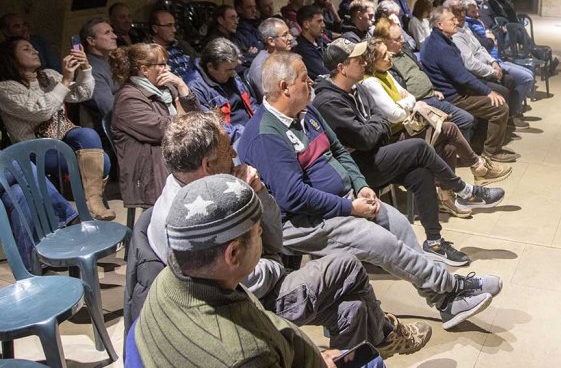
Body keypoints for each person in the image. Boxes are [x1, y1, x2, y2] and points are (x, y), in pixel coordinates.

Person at [239, 52, 503, 328]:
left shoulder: (307, 111)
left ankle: (446, 301)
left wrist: (360, 185)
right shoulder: (265, 135)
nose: (311, 84)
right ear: (284, 87)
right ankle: (452, 287)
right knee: (383, 242)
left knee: (399, 225)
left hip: (342, 200)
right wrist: (350, 208)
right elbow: (293, 196)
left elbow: (339, 151)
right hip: (304, 221)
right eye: (305, 80)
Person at [137, 112, 430, 356]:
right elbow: (248, 281)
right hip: (239, 305)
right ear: (207, 165)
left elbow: (273, 238)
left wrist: (260, 193)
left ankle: (369, 345)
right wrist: (277, 264)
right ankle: (385, 335)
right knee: (346, 265)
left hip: (256, 277)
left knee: (352, 308)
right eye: (228, 150)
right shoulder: (187, 219)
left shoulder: (214, 185)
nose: (236, 154)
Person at [134, 174, 330, 367]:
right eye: (257, 230)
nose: (262, 233)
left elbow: (258, 317)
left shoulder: (168, 280)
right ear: (233, 253)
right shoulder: (249, 356)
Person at [314, 38, 508, 227]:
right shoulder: (329, 101)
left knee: (422, 171)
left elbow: (381, 121)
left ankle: (434, 241)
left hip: (378, 150)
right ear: (342, 68)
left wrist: (376, 123)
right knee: (420, 147)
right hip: (360, 167)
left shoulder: (357, 88)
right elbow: (368, 137)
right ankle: (465, 190)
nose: (364, 62)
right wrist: (378, 123)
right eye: (358, 60)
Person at [359, 38, 511, 184]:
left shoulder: (385, 73)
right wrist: (408, 103)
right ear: (372, 62)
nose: (390, 55)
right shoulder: (371, 82)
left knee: (449, 147)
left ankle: (447, 193)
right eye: (384, 55)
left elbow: (410, 97)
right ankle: (478, 166)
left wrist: (404, 102)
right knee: (450, 128)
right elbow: (395, 115)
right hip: (394, 136)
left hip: (407, 125)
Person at [0, 37, 114, 220]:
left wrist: (85, 68)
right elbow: (41, 111)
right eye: (27, 49)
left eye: (34, 47)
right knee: (103, 161)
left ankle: (93, 203)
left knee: (88, 134)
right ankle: (79, 212)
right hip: (34, 150)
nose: (36, 51)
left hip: (62, 136)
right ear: (11, 57)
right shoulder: (5, 89)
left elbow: (82, 94)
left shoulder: (48, 75)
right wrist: (66, 80)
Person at [420, 7, 518, 163]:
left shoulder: (439, 40)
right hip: (454, 97)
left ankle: (478, 146)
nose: (456, 21)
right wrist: (487, 91)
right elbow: (462, 77)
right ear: (440, 24)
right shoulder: (440, 47)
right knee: (499, 107)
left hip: (457, 90)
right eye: (451, 19)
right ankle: (492, 151)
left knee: (496, 96)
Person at [109, 43, 200, 209]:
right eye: (162, 64)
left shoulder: (168, 87)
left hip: (174, 153)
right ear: (144, 70)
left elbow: (196, 116)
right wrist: (185, 117)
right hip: (151, 171)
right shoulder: (128, 99)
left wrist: (182, 86)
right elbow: (162, 129)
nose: (168, 68)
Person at [372, 18, 475, 139]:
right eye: (398, 38)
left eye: (401, 36)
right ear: (384, 41)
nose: (403, 40)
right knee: (453, 125)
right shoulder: (384, 63)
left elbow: (420, 71)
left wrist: (433, 89)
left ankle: (457, 154)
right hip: (417, 104)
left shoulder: (404, 50)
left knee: (466, 119)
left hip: (432, 96)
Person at [447, 0, 533, 128]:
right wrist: (492, 71)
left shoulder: (465, 28)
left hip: (489, 64)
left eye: (463, 15)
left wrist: (493, 62)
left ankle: (509, 118)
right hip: (474, 75)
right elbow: (470, 63)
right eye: (458, 16)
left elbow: (480, 48)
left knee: (510, 80)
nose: (461, 18)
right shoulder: (456, 36)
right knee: (505, 89)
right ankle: (493, 131)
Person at [187, 38, 257, 143]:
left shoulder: (231, 74)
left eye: (234, 68)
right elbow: (216, 128)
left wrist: (263, 121)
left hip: (251, 129)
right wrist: (249, 134)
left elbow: (251, 102)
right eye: (228, 70)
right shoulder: (195, 88)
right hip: (234, 141)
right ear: (210, 67)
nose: (233, 73)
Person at [79, 17, 119, 122]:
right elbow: (109, 108)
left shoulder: (113, 60)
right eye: (107, 33)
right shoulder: (90, 69)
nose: (114, 36)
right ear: (91, 41)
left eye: (113, 32)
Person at [149, 9, 200, 83]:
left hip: (196, 83)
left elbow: (197, 59)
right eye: (169, 25)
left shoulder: (180, 43)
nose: (174, 30)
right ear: (155, 28)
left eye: (174, 25)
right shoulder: (149, 51)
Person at [249, 18, 294, 100]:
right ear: (271, 41)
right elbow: (273, 100)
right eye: (285, 35)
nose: (290, 38)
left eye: (289, 33)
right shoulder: (261, 67)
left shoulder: (282, 57)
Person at [294, 4, 330, 79]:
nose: (323, 25)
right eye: (319, 21)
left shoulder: (320, 41)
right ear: (306, 24)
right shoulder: (303, 50)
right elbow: (326, 74)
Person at [233, 0, 263, 68]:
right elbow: (242, 58)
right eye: (249, 7)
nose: (254, 11)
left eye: (254, 7)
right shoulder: (237, 31)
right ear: (239, 9)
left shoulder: (257, 24)